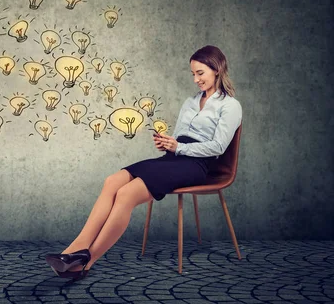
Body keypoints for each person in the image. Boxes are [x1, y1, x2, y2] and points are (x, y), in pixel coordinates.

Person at [44, 45, 242, 280]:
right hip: (174, 158)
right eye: (193, 74)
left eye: (200, 73)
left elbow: (219, 146)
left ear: (216, 70)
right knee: (112, 181)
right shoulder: (190, 102)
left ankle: (85, 262)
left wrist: (180, 147)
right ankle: (73, 251)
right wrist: (167, 143)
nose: (196, 79)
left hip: (196, 165)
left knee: (126, 194)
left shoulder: (230, 105)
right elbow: (178, 137)